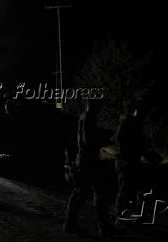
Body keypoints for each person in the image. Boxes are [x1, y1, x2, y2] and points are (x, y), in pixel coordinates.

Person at [63, 101, 111, 237]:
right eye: (99, 105)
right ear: (94, 105)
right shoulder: (89, 117)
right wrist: (105, 142)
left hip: (86, 160)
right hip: (88, 161)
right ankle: (102, 227)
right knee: (89, 192)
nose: (101, 108)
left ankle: (73, 223)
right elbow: (88, 140)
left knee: (87, 192)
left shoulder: (84, 117)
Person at [114, 105, 163, 227]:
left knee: (140, 190)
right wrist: (151, 157)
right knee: (125, 191)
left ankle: (137, 216)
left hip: (131, 162)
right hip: (125, 162)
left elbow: (142, 146)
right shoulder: (128, 126)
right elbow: (133, 147)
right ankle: (120, 218)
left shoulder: (136, 126)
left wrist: (151, 155)